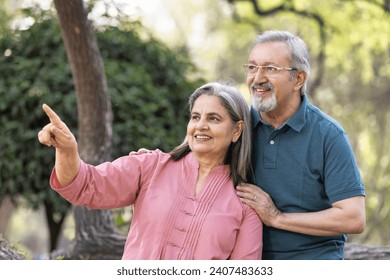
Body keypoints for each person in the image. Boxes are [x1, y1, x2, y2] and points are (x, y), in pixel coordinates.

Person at [38, 81, 263, 260]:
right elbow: (85, 185)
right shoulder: (151, 166)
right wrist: (67, 150)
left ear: (236, 130)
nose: (200, 125)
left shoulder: (246, 205)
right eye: (195, 117)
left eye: (213, 118)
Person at [236, 30, 366, 260]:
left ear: (298, 79)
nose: (257, 78)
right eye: (252, 67)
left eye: (270, 69)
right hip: (248, 261)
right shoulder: (237, 128)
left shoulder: (328, 135)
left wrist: (276, 217)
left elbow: (353, 218)